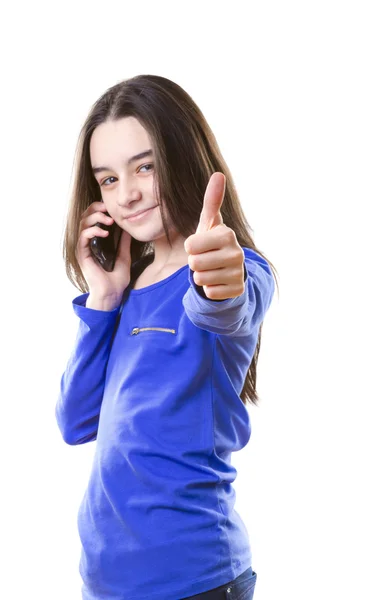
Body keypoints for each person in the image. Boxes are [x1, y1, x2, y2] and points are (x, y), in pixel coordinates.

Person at [55, 74, 278, 600]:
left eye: (145, 166)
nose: (127, 194)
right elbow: (75, 421)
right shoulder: (127, 290)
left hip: (192, 583)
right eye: (107, 179)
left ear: (182, 156)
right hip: (107, 585)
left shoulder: (234, 269)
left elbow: (228, 307)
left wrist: (222, 281)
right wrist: (104, 298)